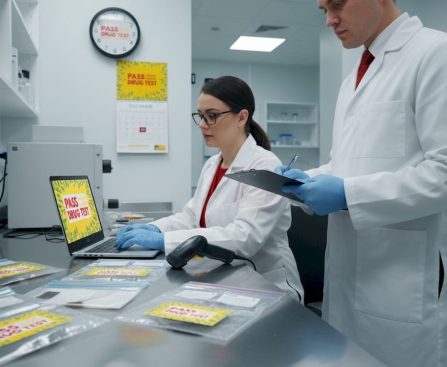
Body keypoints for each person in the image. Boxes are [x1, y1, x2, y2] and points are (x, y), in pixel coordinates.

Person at [275, 1, 447, 366]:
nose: (329, 20)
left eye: (337, 4)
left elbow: (443, 172)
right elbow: (346, 165)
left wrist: (348, 195)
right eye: (323, 8)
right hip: (347, 279)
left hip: (401, 282)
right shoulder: (353, 78)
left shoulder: (435, 53)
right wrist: (310, 180)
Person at [116, 75, 303, 302]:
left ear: (241, 117)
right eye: (201, 116)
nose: (203, 125)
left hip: (266, 285)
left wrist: (164, 241)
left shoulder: (265, 165)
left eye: (212, 116)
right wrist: (155, 228)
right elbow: (191, 216)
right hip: (224, 278)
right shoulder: (213, 164)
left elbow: (245, 237)